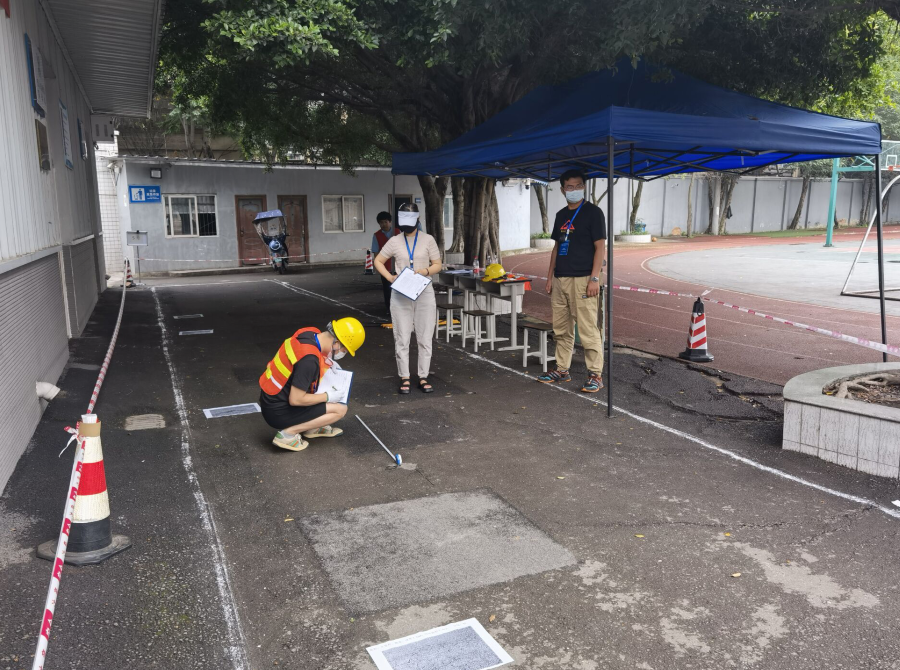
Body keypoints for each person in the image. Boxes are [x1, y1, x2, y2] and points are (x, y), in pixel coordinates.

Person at [537, 168, 607, 393]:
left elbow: (600, 247)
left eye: (578, 186)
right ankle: (562, 369)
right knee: (561, 328)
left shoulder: (594, 213)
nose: (574, 190)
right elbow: (556, 248)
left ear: (583, 187)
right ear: (562, 190)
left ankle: (595, 374)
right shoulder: (560, 215)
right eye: (570, 187)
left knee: (587, 328)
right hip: (560, 279)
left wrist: (594, 278)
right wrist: (550, 277)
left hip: (584, 279)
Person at [258, 317, 366, 451]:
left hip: (271, 400)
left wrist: (326, 361)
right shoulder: (309, 361)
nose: (343, 354)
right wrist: (328, 396)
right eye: (344, 351)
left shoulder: (309, 333)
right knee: (340, 409)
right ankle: (287, 435)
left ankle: (313, 427)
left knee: (320, 386)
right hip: (277, 413)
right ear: (337, 343)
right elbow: (296, 400)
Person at [373, 203, 442, 394]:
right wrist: (390, 278)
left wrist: (425, 271)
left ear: (417, 219)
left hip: (423, 291)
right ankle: (404, 376)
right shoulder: (395, 241)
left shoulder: (428, 239)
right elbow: (378, 260)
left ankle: (423, 376)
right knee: (402, 337)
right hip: (401, 293)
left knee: (425, 336)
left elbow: (437, 264)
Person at [371, 211, 398, 311]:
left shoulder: (398, 232)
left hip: (399, 266)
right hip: (385, 268)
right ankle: (389, 309)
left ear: (390, 222)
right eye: (381, 222)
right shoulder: (376, 235)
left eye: (386, 222)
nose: (383, 224)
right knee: (387, 289)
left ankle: (400, 308)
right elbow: (376, 252)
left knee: (400, 289)